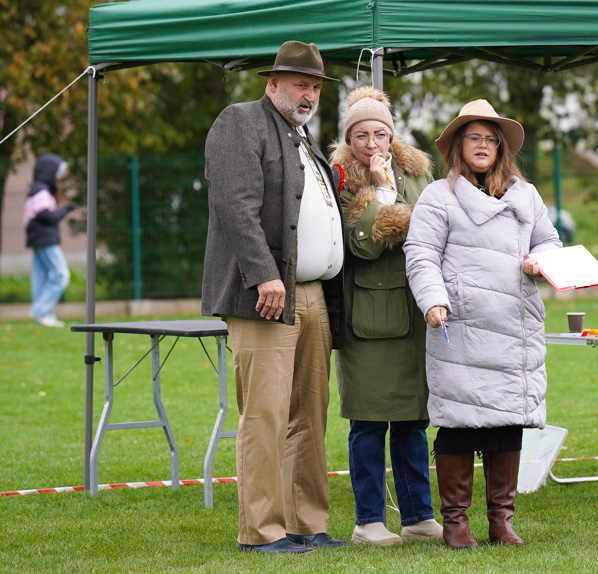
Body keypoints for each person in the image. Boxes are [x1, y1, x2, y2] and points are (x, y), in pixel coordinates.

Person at [201, 41, 347, 555]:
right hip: (263, 295)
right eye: (299, 84)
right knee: (264, 415)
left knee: (310, 415)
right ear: (273, 83)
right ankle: (262, 531)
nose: (308, 94)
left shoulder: (303, 137)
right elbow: (234, 205)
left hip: (311, 295)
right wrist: (264, 274)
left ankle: (308, 524)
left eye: (314, 87)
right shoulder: (240, 121)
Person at [403, 100, 562, 549]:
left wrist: (540, 262)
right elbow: (421, 255)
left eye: (491, 139)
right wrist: (433, 300)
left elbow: (550, 242)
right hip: (460, 326)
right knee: (458, 422)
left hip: (514, 325)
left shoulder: (525, 195)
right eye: (474, 137)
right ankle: (455, 522)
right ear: (458, 145)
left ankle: (501, 521)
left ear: (501, 148)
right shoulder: (439, 196)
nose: (484, 145)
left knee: (508, 420)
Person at [329, 86, 443, 546]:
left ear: (393, 134)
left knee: (413, 421)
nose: (372, 143)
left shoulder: (420, 173)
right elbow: (361, 242)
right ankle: (368, 522)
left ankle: (418, 517)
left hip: (415, 315)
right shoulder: (339, 179)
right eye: (361, 135)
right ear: (349, 139)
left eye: (380, 133)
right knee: (369, 423)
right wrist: (383, 192)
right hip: (368, 320)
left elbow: (437, 225)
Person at [24, 153, 75, 328]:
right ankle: (40, 309)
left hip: (38, 239)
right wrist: (65, 210)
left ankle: (44, 316)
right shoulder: (41, 190)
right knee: (61, 275)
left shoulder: (38, 189)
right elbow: (46, 216)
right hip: (45, 239)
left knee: (41, 277)